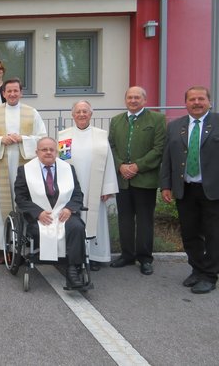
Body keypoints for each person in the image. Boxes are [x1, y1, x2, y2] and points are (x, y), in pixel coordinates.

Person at [161, 86, 219, 294]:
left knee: (213, 234)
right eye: (192, 99)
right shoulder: (176, 126)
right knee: (190, 233)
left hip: (212, 190)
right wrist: (166, 185)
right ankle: (197, 269)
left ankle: (210, 276)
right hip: (185, 189)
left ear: (209, 102)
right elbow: (167, 158)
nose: (196, 102)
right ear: (185, 103)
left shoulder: (217, 123)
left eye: (201, 99)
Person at [0, 77, 46, 257]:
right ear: (3, 93)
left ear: (21, 92)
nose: (12, 94)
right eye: (8, 91)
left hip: (24, 165)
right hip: (1, 163)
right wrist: (0, 139)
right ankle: (4, 248)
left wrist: (22, 139)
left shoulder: (31, 112)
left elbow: (41, 136)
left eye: (15, 90)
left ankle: (25, 247)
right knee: (0, 204)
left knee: (25, 202)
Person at [14, 137, 87, 288]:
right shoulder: (25, 170)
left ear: (56, 152)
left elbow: (78, 195)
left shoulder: (68, 168)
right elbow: (21, 198)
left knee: (77, 227)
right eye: (44, 149)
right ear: (37, 152)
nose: (48, 152)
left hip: (64, 214)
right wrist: (38, 212)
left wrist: (69, 208)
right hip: (40, 217)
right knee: (40, 230)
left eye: (51, 149)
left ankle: (73, 270)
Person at [108, 86, 166, 275]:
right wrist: (120, 166)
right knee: (124, 219)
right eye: (130, 97)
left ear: (145, 100)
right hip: (122, 179)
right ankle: (127, 255)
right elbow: (111, 146)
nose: (133, 100)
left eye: (137, 98)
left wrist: (137, 166)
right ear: (125, 100)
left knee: (144, 220)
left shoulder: (157, 119)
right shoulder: (116, 121)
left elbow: (159, 148)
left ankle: (144, 258)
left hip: (145, 179)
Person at [57, 101, 118, 270]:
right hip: (72, 188)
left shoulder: (100, 136)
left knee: (95, 220)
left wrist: (107, 188)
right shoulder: (64, 136)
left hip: (95, 187)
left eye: (85, 111)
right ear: (73, 115)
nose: (82, 114)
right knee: (72, 221)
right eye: (78, 112)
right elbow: (61, 163)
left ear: (91, 114)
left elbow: (109, 162)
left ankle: (95, 257)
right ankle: (72, 255)